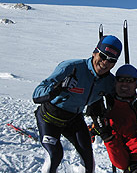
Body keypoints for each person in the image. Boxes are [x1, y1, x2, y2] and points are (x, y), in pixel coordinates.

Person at [32, 35, 122, 173]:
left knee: (88, 162)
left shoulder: (109, 81)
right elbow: (37, 94)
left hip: (73, 119)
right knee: (55, 156)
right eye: (103, 56)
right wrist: (58, 87)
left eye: (111, 60)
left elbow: (120, 100)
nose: (105, 63)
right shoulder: (71, 67)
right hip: (49, 118)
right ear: (94, 52)